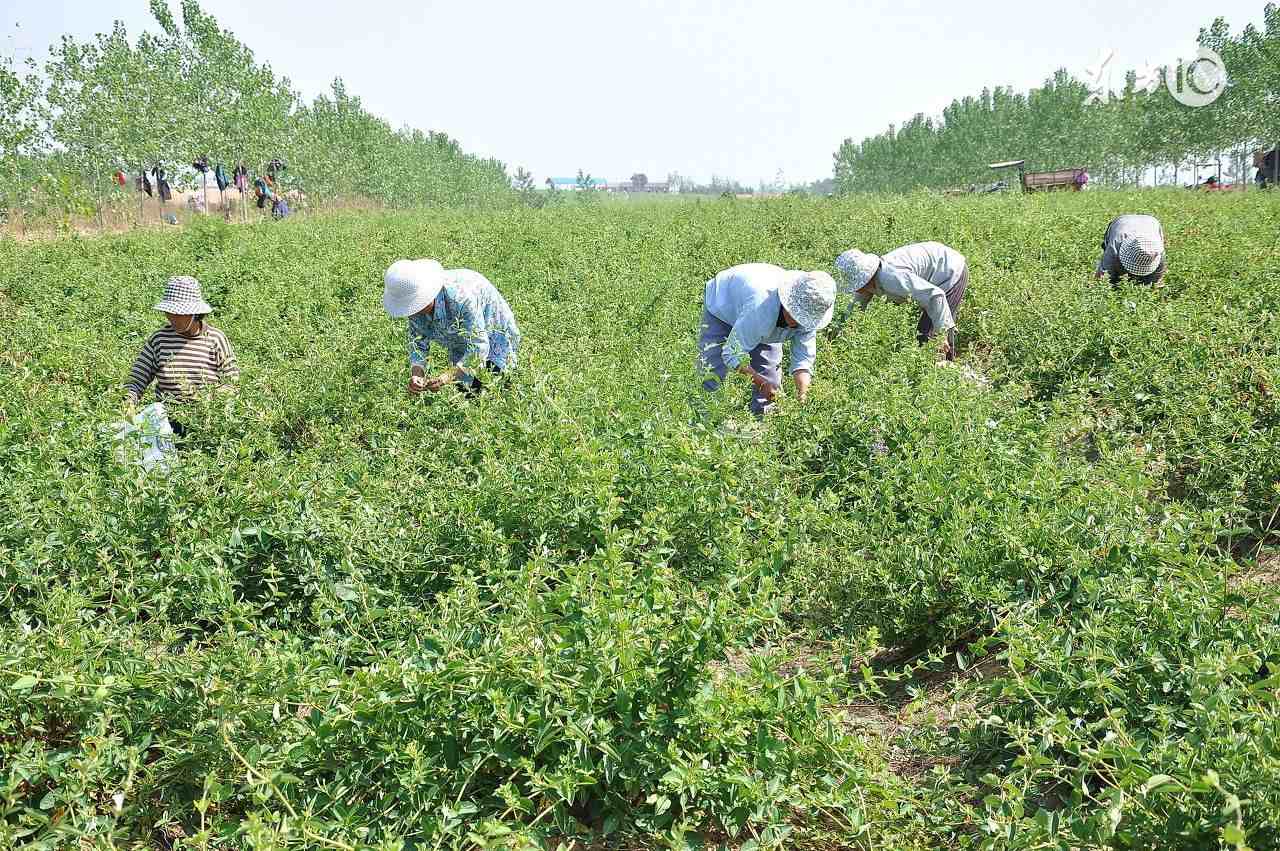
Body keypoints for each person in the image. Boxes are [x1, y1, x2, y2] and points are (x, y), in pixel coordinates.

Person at [696, 264, 836, 417]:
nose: (797, 323)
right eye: (795, 315)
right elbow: (732, 354)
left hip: (758, 318)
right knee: (711, 370)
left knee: (771, 379)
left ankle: (761, 425)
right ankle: (702, 418)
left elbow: (803, 361)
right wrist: (760, 382)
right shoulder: (760, 306)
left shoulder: (810, 315)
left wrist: (802, 395)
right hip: (723, 306)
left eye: (803, 319)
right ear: (786, 301)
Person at [381, 259, 520, 396]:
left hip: (492, 328)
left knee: (498, 382)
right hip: (461, 339)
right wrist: (417, 374)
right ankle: (476, 403)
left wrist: (446, 378)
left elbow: (478, 347)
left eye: (416, 304)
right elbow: (418, 344)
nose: (414, 312)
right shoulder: (414, 310)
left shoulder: (461, 299)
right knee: (468, 389)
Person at [124, 276, 239, 435]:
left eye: (179, 313)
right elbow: (137, 380)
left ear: (195, 313)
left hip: (206, 422)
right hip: (167, 424)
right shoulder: (159, 339)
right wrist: (128, 403)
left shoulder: (215, 339)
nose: (172, 318)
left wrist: (211, 400)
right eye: (169, 312)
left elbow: (232, 380)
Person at [834, 242, 967, 361]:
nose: (855, 289)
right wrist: (835, 338)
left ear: (864, 280)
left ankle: (946, 371)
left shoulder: (890, 277)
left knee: (928, 338)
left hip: (949, 272)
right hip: (936, 276)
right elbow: (853, 311)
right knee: (927, 333)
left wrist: (941, 334)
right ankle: (945, 364)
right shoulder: (868, 283)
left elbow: (936, 296)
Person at [1094, 214, 1166, 285]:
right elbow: (1103, 276)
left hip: (1151, 223)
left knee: (1150, 281)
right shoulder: (1115, 244)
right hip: (1122, 223)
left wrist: (1152, 286)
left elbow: (1157, 278)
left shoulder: (1158, 250)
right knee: (1113, 274)